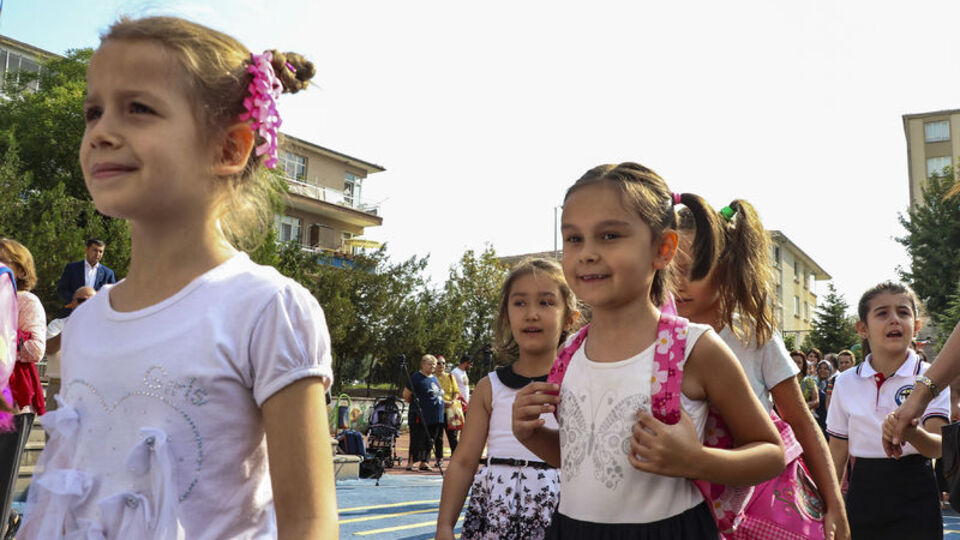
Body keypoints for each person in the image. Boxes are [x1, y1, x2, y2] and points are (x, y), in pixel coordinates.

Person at [19, 16, 336, 539]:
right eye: (93, 112)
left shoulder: (266, 308)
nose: (100, 131)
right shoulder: (83, 325)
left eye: (138, 109)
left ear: (229, 149)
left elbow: (309, 520)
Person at [512, 163, 785, 539]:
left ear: (663, 249)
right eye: (574, 239)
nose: (587, 253)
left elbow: (770, 452)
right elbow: (587, 462)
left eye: (609, 235)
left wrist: (697, 460)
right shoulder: (569, 353)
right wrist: (532, 436)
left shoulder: (694, 348)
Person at [673, 198, 848, 539]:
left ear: (726, 266)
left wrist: (835, 502)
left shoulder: (755, 336)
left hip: (756, 503)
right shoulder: (655, 337)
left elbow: (800, 419)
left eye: (693, 269)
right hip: (677, 504)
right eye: (669, 268)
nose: (678, 282)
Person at [437, 258, 577, 540]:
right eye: (520, 303)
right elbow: (464, 461)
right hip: (494, 515)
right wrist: (444, 526)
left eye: (546, 303)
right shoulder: (490, 387)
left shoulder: (579, 382)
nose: (531, 314)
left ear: (570, 318)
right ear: (506, 315)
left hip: (559, 512)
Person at [828, 282, 948, 539]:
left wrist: (912, 433)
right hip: (863, 491)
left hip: (916, 489)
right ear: (863, 328)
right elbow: (837, 451)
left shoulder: (931, 378)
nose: (894, 320)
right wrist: (832, 506)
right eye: (882, 313)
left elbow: (938, 446)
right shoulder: (845, 381)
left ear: (916, 326)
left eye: (903, 312)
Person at [0, 239, 46, 415]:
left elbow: (36, 349)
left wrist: (6, 339)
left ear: (21, 270)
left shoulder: (27, 301)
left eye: (2, 260)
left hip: (13, 399)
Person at [43, 286, 97, 413]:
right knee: (54, 432)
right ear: (72, 303)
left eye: (93, 301)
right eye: (82, 300)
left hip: (91, 388)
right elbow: (49, 349)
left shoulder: (104, 329)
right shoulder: (58, 324)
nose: (87, 304)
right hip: (58, 386)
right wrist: (70, 327)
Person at [403, 354, 445, 471]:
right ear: (422, 364)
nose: (433, 366)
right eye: (429, 364)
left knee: (430, 439)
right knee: (417, 438)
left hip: (435, 416)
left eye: (434, 364)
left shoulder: (434, 378)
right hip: (420, 415)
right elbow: (406, 395)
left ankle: (424, 461)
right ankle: (411, 462)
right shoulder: (416, 377)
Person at [56, 238, 116, 316]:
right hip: (72, 313)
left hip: (97, 315)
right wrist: (78, 301)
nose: (98, 254)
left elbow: (111, 295)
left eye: (101, 251)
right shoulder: (72, 268)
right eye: (95, 250)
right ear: (87, 249)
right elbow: (62, 290)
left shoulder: (108, 273)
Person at [435, 359, 461, 462]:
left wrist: (453, 401)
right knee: (438, 437)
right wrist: (442, 402)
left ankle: (455, 457)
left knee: (453, 436)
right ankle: (439, 458)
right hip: (438, 410)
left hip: (450, 410)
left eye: (443, 363)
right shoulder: (432, 378)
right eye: (438, 363)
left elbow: (456, 391)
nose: (441, 365)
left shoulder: (450, 377)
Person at [792, 349, 820, 413]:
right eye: (793, 361)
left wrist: (804, 406)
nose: (795, 364)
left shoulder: (809, 381)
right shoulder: (783, 380)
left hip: (803, 415)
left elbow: (816, 401)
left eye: (799, 362)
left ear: (803, 365)